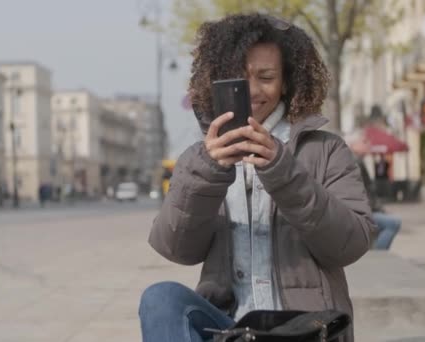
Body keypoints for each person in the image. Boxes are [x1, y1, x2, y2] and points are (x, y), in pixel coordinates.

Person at [139, 14, 375, 342]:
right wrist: (208, 171)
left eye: (266, 77)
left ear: (287, 82)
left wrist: (282, 170)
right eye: (238, 78)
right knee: (160, 298)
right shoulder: (199, 158)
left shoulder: (327, 150)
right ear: (218, 81)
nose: (252, 90)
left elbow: (351, 245)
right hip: (227, 327)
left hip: (303, 329)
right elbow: (175, 248)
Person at [348, 135, 401, 251]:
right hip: (360, 213)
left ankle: (375, 251)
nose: (369, 144)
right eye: (364, 141)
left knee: (388, 222)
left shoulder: (354, 160)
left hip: (362, 210)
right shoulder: (355, 162)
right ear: (354, 145)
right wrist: (377, 209)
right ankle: (378, 253)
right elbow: (363, 192)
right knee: (394, 223)